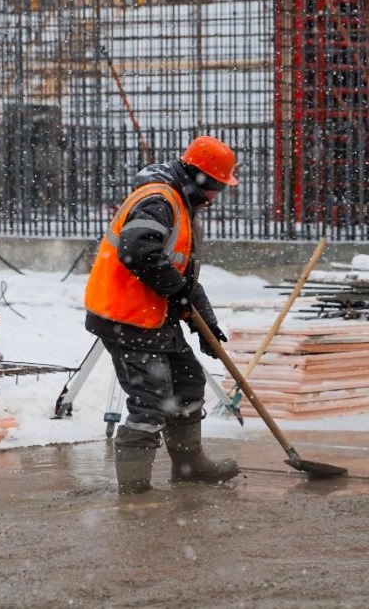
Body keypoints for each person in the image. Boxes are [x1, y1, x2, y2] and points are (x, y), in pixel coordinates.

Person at [84, 135, 240, 494]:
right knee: (151, 401)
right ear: (203, 180)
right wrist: (178, 291)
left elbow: (181, 275)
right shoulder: (159, 200)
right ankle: (135, 489)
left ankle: (189, 466)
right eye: (217, 187)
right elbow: (138, 251)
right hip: (124, 315)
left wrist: (207, 325)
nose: (216, 198)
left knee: (187, 383)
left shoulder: (179, 202)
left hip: (151, 314)